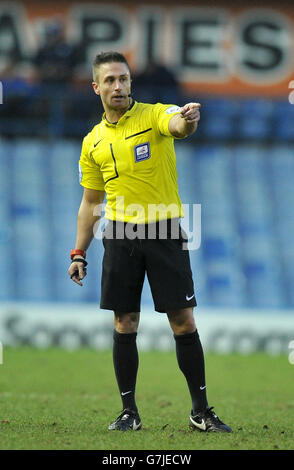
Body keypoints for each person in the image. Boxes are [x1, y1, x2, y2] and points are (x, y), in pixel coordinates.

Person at [68, 51, 232, 433]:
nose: (119, 86)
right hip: (120, 234)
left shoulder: (154, 113)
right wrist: (79, 252)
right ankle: (129, 413)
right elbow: (90, 203)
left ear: (130, 82)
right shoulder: (92, 142)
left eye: (123, 79)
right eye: (109, 80)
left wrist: (187, 119)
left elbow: (177, 125)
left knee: (183, 320)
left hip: (164, 231)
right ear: (96, 87)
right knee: (125, 322)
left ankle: (200, 411)